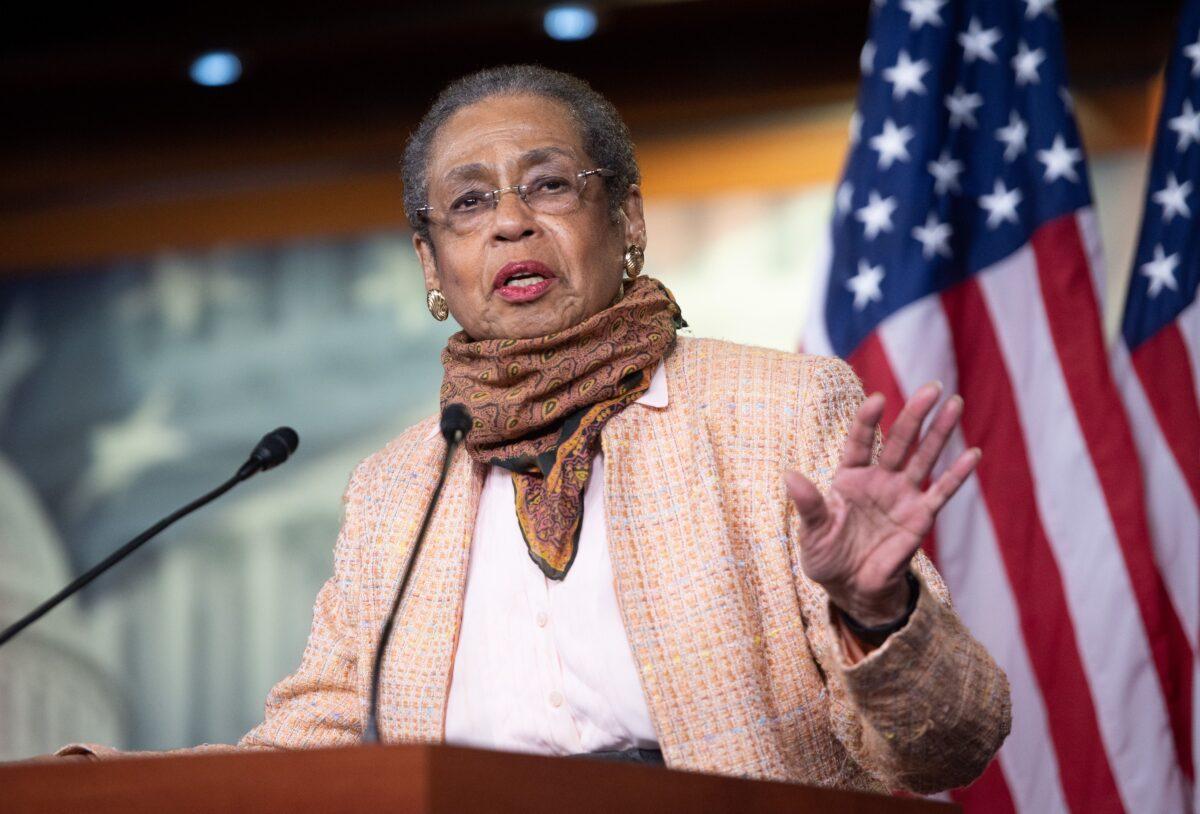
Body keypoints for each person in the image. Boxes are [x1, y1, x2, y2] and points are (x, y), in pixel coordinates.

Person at [57, 64, 1010, 794]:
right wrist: (111, 784)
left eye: (549, 185)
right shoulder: (397, 487)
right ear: (434, 265)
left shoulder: (779, 411)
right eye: (469, 203)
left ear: (625, 218)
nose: (510, 222)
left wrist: (877, 614)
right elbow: (318, 744)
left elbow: (949, 746)